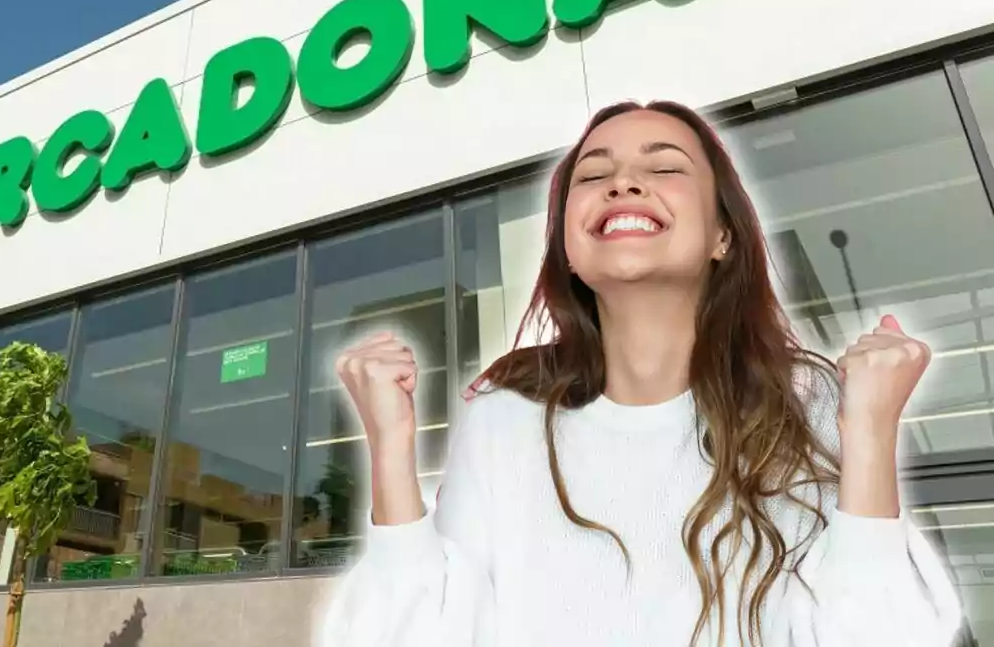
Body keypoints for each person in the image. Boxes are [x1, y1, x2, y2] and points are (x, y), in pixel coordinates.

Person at [319, 101, 962, 647]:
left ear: (723, 236)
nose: (623, 184)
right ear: (568, 249)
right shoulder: (503, 417)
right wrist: (390, 448)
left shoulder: (802, 401)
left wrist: (870, 432)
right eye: (594, 175)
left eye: (664, 167)